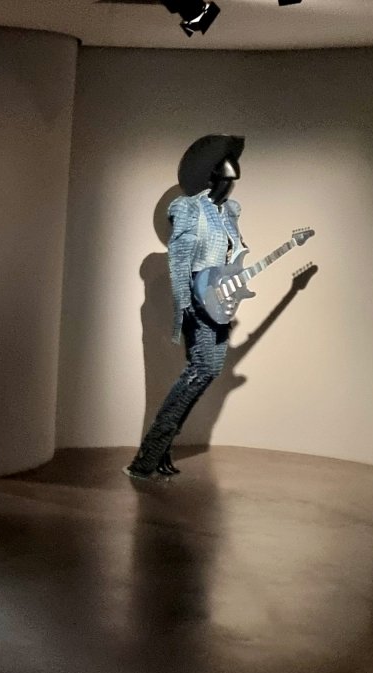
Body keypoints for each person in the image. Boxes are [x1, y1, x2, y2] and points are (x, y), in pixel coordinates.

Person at [126, 135, 247, 482]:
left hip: (220, 301)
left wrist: (232, 290)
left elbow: (234, 255)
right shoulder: (187, 208)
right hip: (198, 299)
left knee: (208, 370)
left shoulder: (230, 212)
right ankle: (149, 455)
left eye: (233, 180)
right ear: (211, 176)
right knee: (200, 369)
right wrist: (186, 304)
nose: (230, 185)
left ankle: (162, 447)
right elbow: (180, 260)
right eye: (225, 178)